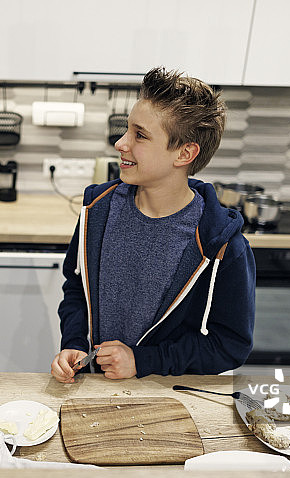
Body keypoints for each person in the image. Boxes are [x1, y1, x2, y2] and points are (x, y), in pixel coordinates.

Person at [51, 67, 255, 383]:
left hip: (165, 393)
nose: (121, 143)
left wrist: (143, 360)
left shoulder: (221, 244)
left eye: (140, 135)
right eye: (127, 129)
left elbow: (229, 346)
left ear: (185, 153)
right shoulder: (97, 209)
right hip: (94, 385)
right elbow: (76, 288)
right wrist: (74, 342)